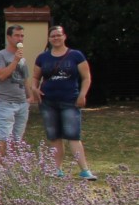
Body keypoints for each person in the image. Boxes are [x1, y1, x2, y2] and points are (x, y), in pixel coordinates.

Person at [28, 25, 95, 179]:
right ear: (49, 39)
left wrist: (82, 95)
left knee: (73, 135)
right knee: (54, 136)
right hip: (48, 101)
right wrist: (34, 88)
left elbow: (86, 77)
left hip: (70, 100)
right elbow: (36, 77)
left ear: (64, 36)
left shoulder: (76, 55)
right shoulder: (42, 57)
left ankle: (84, 170)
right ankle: (57, 169)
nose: (56, 38)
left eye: (59, 35)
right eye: (53, 36)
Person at [0, 25, 32, 157]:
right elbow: (1, 76)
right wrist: (15, 61)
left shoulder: (22, 59)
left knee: (17, 140)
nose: (20, 38)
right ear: (9, 37)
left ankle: (10, 166)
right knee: (4, 138)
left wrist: (30, 96)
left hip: (22, 102)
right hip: (5, 102)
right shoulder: (0, 56)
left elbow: (25, 79)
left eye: (22, 36)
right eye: (17, 35)